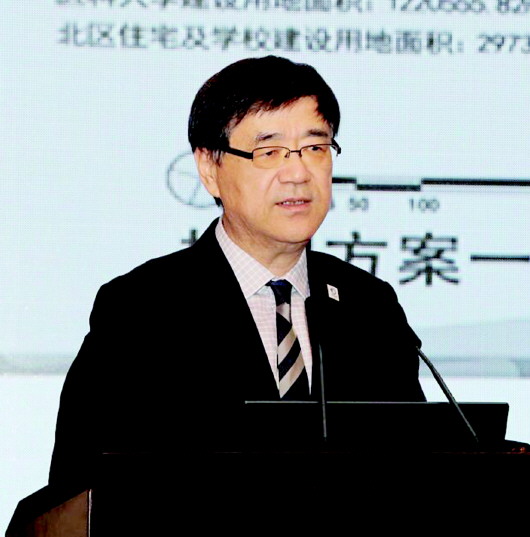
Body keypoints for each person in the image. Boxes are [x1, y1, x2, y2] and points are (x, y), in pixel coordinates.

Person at [48, 56, 425, 490]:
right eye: (269, 152)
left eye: (316, 148)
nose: (298, 173)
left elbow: (419, 468)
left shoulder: (369, 306)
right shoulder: (142, 308)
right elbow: (80, 488)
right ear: (210, 169)